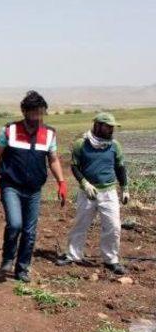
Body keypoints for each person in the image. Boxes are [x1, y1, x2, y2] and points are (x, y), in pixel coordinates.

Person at [0, 91, 67, 282]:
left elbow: (53, 159)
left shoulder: (49, 134)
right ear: (24, 111)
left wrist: (61, 182)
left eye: (41, 113)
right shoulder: (9, 130)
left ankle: (22, 268)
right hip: (11, 185)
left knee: (30, 232)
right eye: (33, 113)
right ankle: (7, 257)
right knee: (15, 224)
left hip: (34, 189)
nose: (37, 117)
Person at [56, 113, 129, 275]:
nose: (111, 130)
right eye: (108, 126)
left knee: (113, 226)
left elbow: (120, 167)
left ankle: (111, 260)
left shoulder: (114, 146)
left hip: (109, 193)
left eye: (112, 127)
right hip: (87, 192)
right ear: (97, 125)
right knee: (80, 224)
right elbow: (75, 167)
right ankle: (73, 255)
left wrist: (124, 188)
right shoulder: (81, 144)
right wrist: (84, 183)